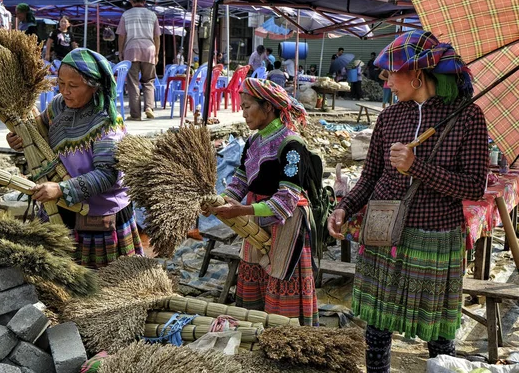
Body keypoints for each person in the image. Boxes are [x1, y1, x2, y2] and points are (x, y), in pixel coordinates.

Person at [327, 30, 489, 372]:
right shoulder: (389, 118)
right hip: (383, 232)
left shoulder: (467, 116)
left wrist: (418, 168)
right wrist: (344, 207)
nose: (386, 84)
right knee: (377, 324)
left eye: (390, 75)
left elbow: (475, 187)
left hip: (435, 234)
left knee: (438, 331)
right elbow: (371, 177)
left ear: (416, 75)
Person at [6, 48, 144, 268]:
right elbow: (39, 134)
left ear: (94, 85)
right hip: (61, 206)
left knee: (103, 283)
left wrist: (61, 189)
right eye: (61, 83)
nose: (65, 91)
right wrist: (18, 139)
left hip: (97, 214)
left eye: (73, 86)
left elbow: (108, 175)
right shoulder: (58, 107)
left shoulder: (107, 124)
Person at [205, 78, 318, 326]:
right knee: (255, 276)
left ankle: (285, 339)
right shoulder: (253, 142)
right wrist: (218, 202)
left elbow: (288, 198)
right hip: (254, 220)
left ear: (267, 107)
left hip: (287, 223)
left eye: (247, 106)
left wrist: (241, 209)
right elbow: (240, 180)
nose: (243, 113)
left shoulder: (292, 145)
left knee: (280, 278)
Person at [117, 0, 160, 121]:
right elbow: (157, 36)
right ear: (144, 1)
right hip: (149, 50)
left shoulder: (126, 15)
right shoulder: (152, 15)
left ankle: (135, 114)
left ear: (131, 1)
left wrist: (121, 51)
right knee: (148, 81)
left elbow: (121, 35)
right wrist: (157, 53)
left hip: (131, 50)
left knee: (133, 83)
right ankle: (149, 107)